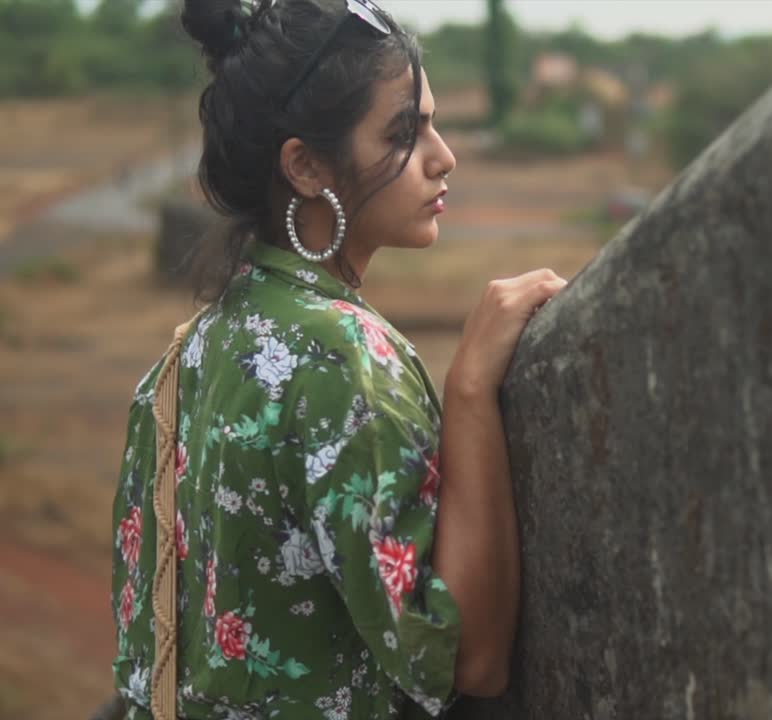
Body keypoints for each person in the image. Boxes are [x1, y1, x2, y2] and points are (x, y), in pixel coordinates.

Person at [108, 0, 567, 717]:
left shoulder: (182, 358)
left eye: (433, 125)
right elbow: (470, 659)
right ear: (307, 165)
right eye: (404, 133)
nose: (443, 157)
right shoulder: (343, 360)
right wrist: (472, 387)